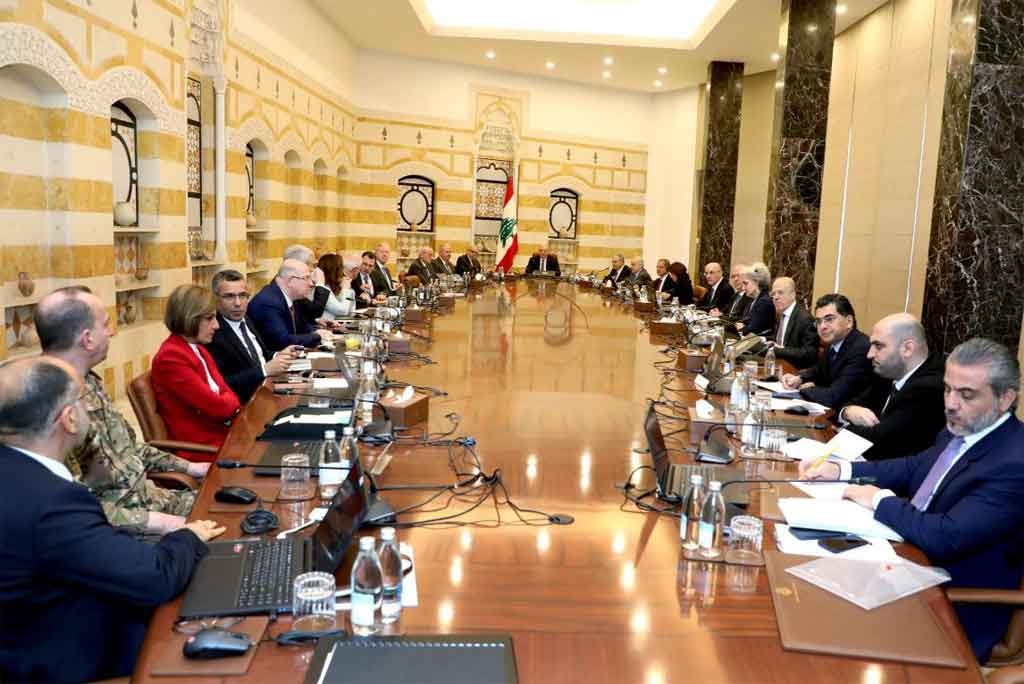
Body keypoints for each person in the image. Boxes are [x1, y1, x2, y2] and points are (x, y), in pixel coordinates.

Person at [0, 356, 225, 684]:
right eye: (82, 399)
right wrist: (189, 535)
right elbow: (155, 576)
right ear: (69, 419)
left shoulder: (18, 473)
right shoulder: (52, 502)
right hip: (77, 661)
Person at [800, 338, 1023, 663]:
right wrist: (841, 469)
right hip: (904, 561)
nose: (951, 404)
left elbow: (946, 536)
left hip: (950, 602)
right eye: (948, 389)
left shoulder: (1014, 463)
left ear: (1005, 398)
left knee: (820, 634)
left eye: (966, 395)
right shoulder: (963, 429)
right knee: (803, 591)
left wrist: (879, 500)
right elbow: (912, 467)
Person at [36, 286, 208, 536]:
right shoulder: (49, 407)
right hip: (124, 530)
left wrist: (190, 468)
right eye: (106, 324)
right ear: (87, 338)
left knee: (242, 507)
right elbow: (72, 509)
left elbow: (128, 447)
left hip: (152, 501)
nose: (112, 332)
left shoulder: (89, 382)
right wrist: (163, 523)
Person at [151, 285, 241, 461]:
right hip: (202, 449)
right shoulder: (171, 357)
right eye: (210, 318)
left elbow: (227, 394)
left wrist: (227, 402)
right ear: (189, 317)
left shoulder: (199, 349)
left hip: (223, 436)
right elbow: (220, 408)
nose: (216, 325)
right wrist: (228, 402)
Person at [837, 313, 945, 460]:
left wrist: (842, 428)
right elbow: (845, 403)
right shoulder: (889, 372)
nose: (869, 354)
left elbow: (879, 442)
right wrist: (847, 412)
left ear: (907, 348)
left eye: (878, 346)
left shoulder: (929, 387)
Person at [206, 270, 298, 404]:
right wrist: (264, 370)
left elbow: (258, 355)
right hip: (247, 403)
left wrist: (278, 355)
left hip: (269, 391)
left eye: (243, 295)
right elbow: (223, 383)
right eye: (229, 296)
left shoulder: (245, 318)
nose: (238, 303)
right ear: (216, 299)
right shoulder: (212, 333)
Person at [782, 293, 873, 408]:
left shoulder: (861, 348)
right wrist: (799, 378)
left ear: (849, 321)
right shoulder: (834, 342)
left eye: (829, 319)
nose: (822, 326)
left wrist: (806, 389)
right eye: (819, 321)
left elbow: (834, 396)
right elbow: (818, 370)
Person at [248, 259, 324, 352]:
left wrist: (315, 331)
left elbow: (300, 325)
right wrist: (317, 336)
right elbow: (283, 341)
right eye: (306, 278)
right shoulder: (268, 302)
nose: (311, 283)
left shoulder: (291, 296)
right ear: (290, 281)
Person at [769, 277, 819, 369]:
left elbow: (809, 354)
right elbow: (782, 341)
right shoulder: (782, 313)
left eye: (780, 292)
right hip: (779, 364)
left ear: (793, 295)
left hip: (794, 369)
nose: (775, 297)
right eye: (773, 294)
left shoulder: (805, 319)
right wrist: (767, 342)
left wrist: (777, 350)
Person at [282, 243, 330, 325]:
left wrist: (315, 322)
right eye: (312, 265)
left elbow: (300, 316)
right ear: (299, 264)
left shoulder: (294, 281)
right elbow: (315, 311)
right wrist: (320, 284)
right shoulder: (289, 284)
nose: (313, 269)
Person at [733, 262, 774, 335]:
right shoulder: (753, 299)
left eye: (746, 283)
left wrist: (743, 327)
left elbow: (752, 330)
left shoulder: (764, 302)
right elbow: (745, 321)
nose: (743, 288)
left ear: (756, 281)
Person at [316, 253, 356, 320]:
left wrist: (350, 290)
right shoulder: (322, 289)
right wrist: (346, 290)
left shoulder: (334, 286)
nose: (342, 272)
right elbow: (342, 311)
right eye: (341, 268)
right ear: (334, 270)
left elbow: (351, 311)